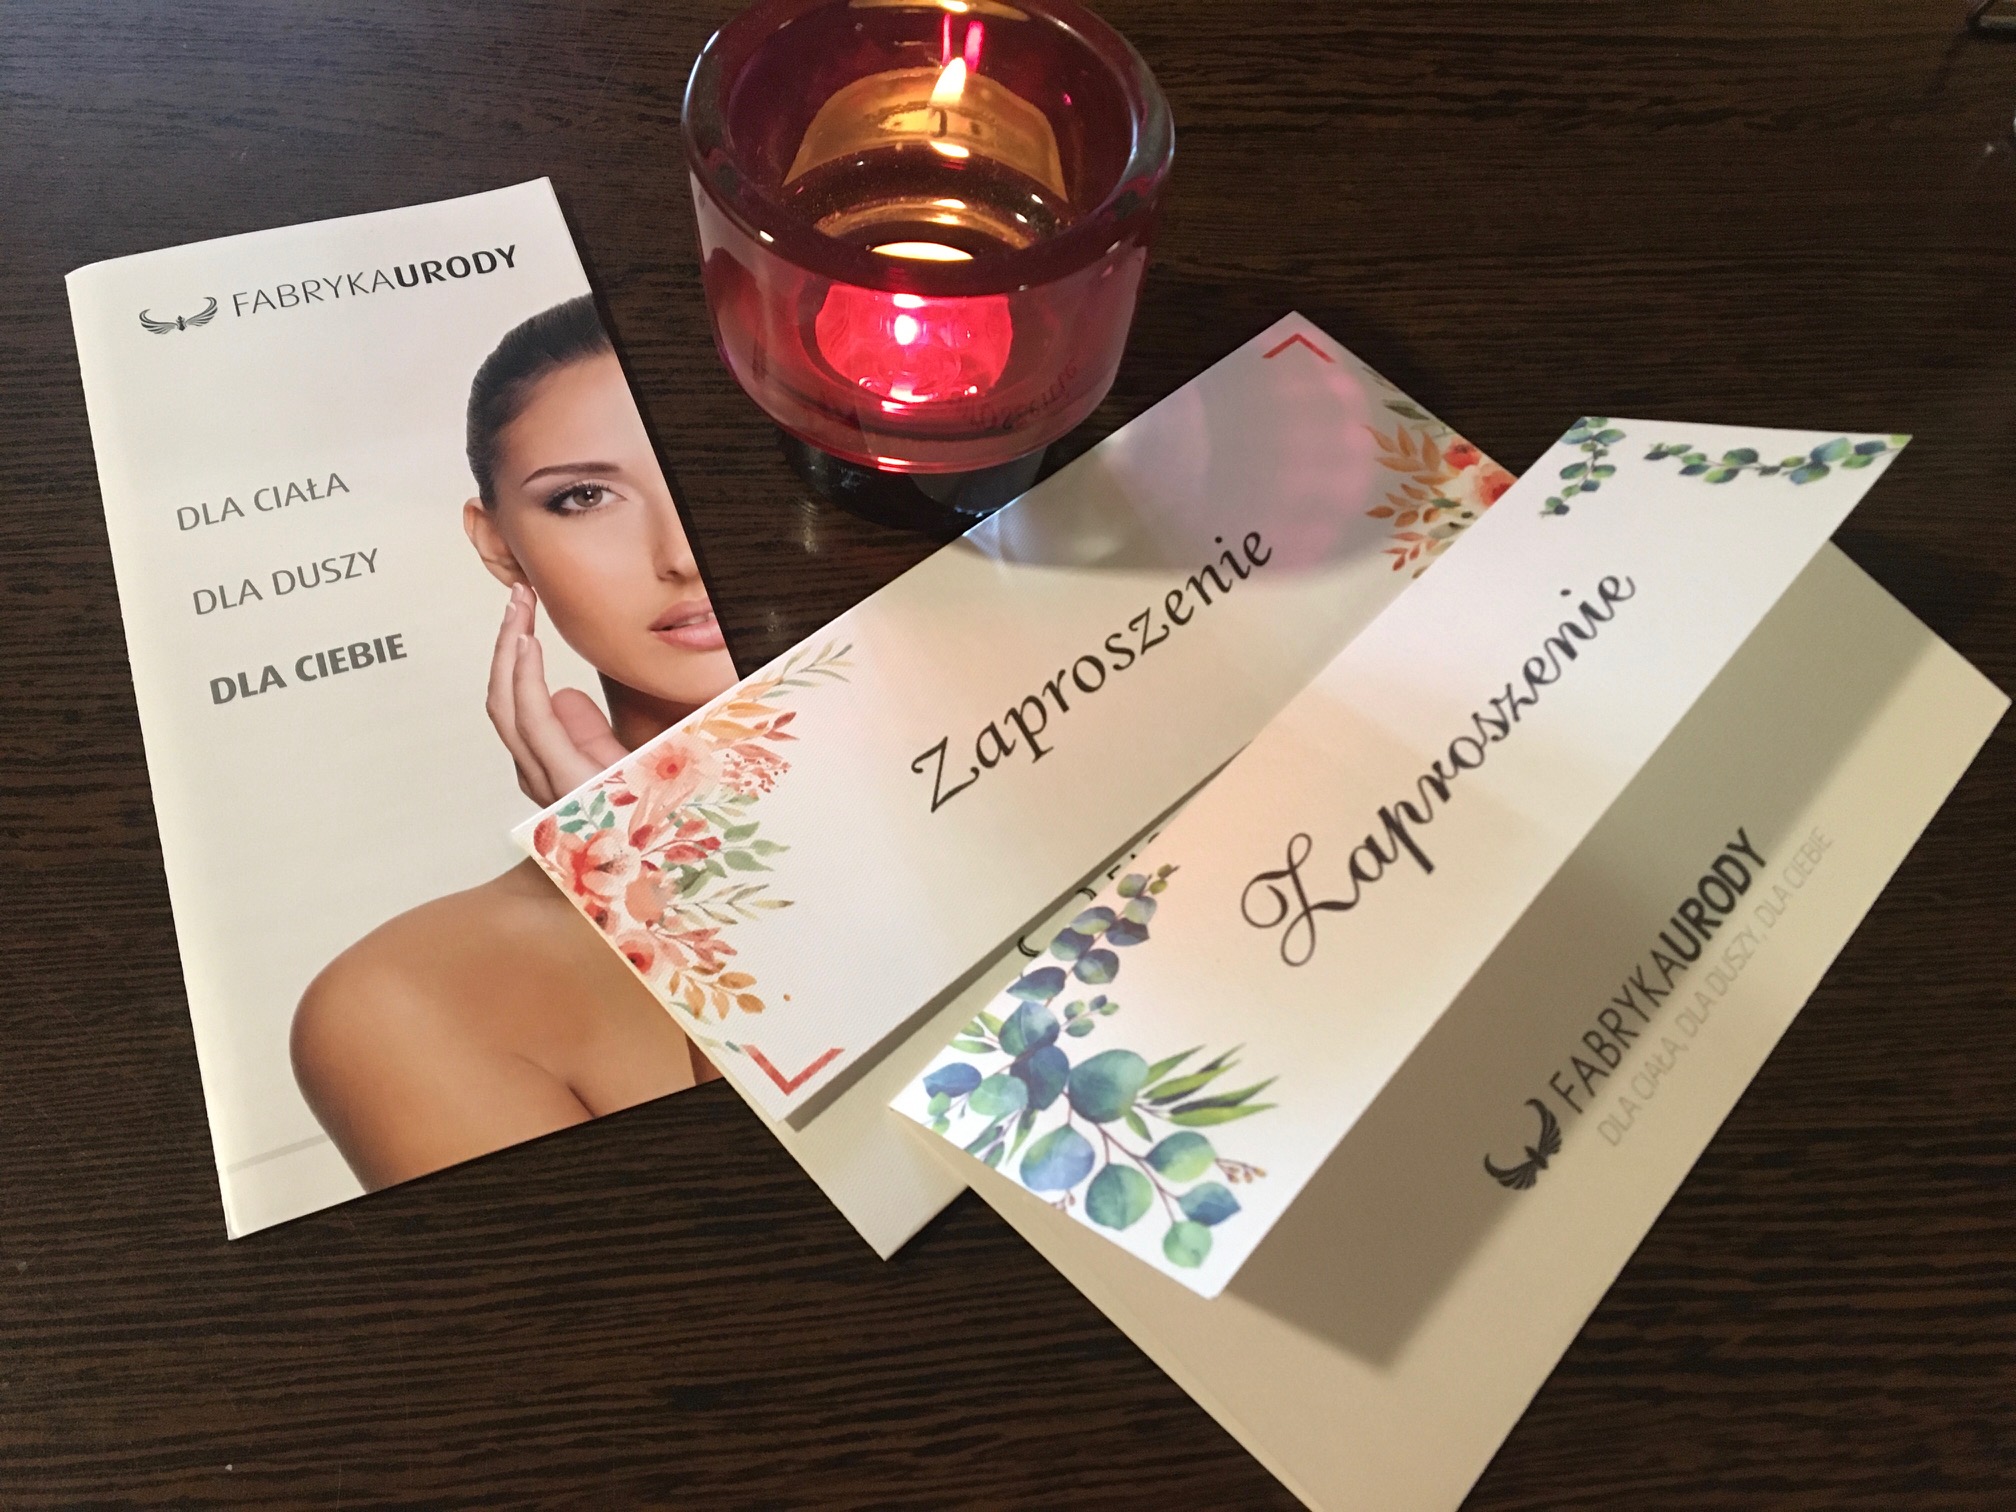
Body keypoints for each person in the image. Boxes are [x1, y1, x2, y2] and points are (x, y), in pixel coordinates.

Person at [291, 297, 739, 1191]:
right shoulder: (406, 1002)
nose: (682, 553)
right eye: (585, 497)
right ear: (500, 548)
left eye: (714, 464)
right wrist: (648, 876)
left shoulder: (1019, 752)